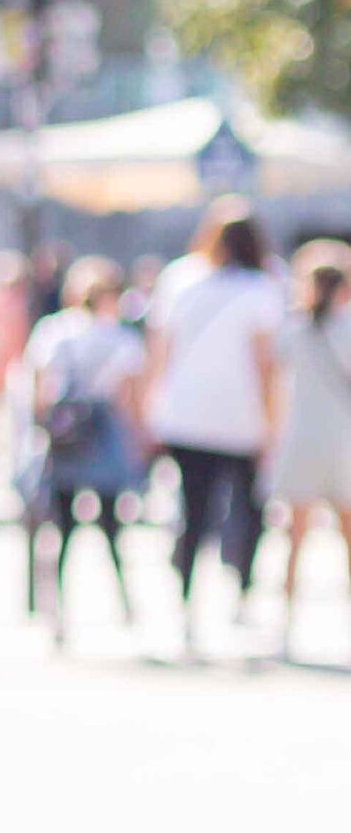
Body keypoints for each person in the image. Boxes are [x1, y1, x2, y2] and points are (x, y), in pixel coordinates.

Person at [143, 199, 286, 648]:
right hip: (241, 417)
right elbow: (266, 366)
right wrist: (272, 423)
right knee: (249, 509)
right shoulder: (263, 289)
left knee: (193, 509)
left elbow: (160, 351)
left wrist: (153, 407)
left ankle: (184, 601)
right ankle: (240, 593)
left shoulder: (179, 280)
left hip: (185, 414)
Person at [17, 258, 147, 638]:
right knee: (111, 525)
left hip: (66, 437)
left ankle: (53, 608)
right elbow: (130, 398)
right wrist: (138, 442)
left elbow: (39, 391)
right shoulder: (122, 338)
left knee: (61, 526)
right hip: (104, 436)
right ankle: (123, 602)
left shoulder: (54, 332)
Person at [269, 242, 351, 645]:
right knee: (342, 534)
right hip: (341, 441)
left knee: (295, 536)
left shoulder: (294, 330)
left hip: (305, 437)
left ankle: (286, 621)